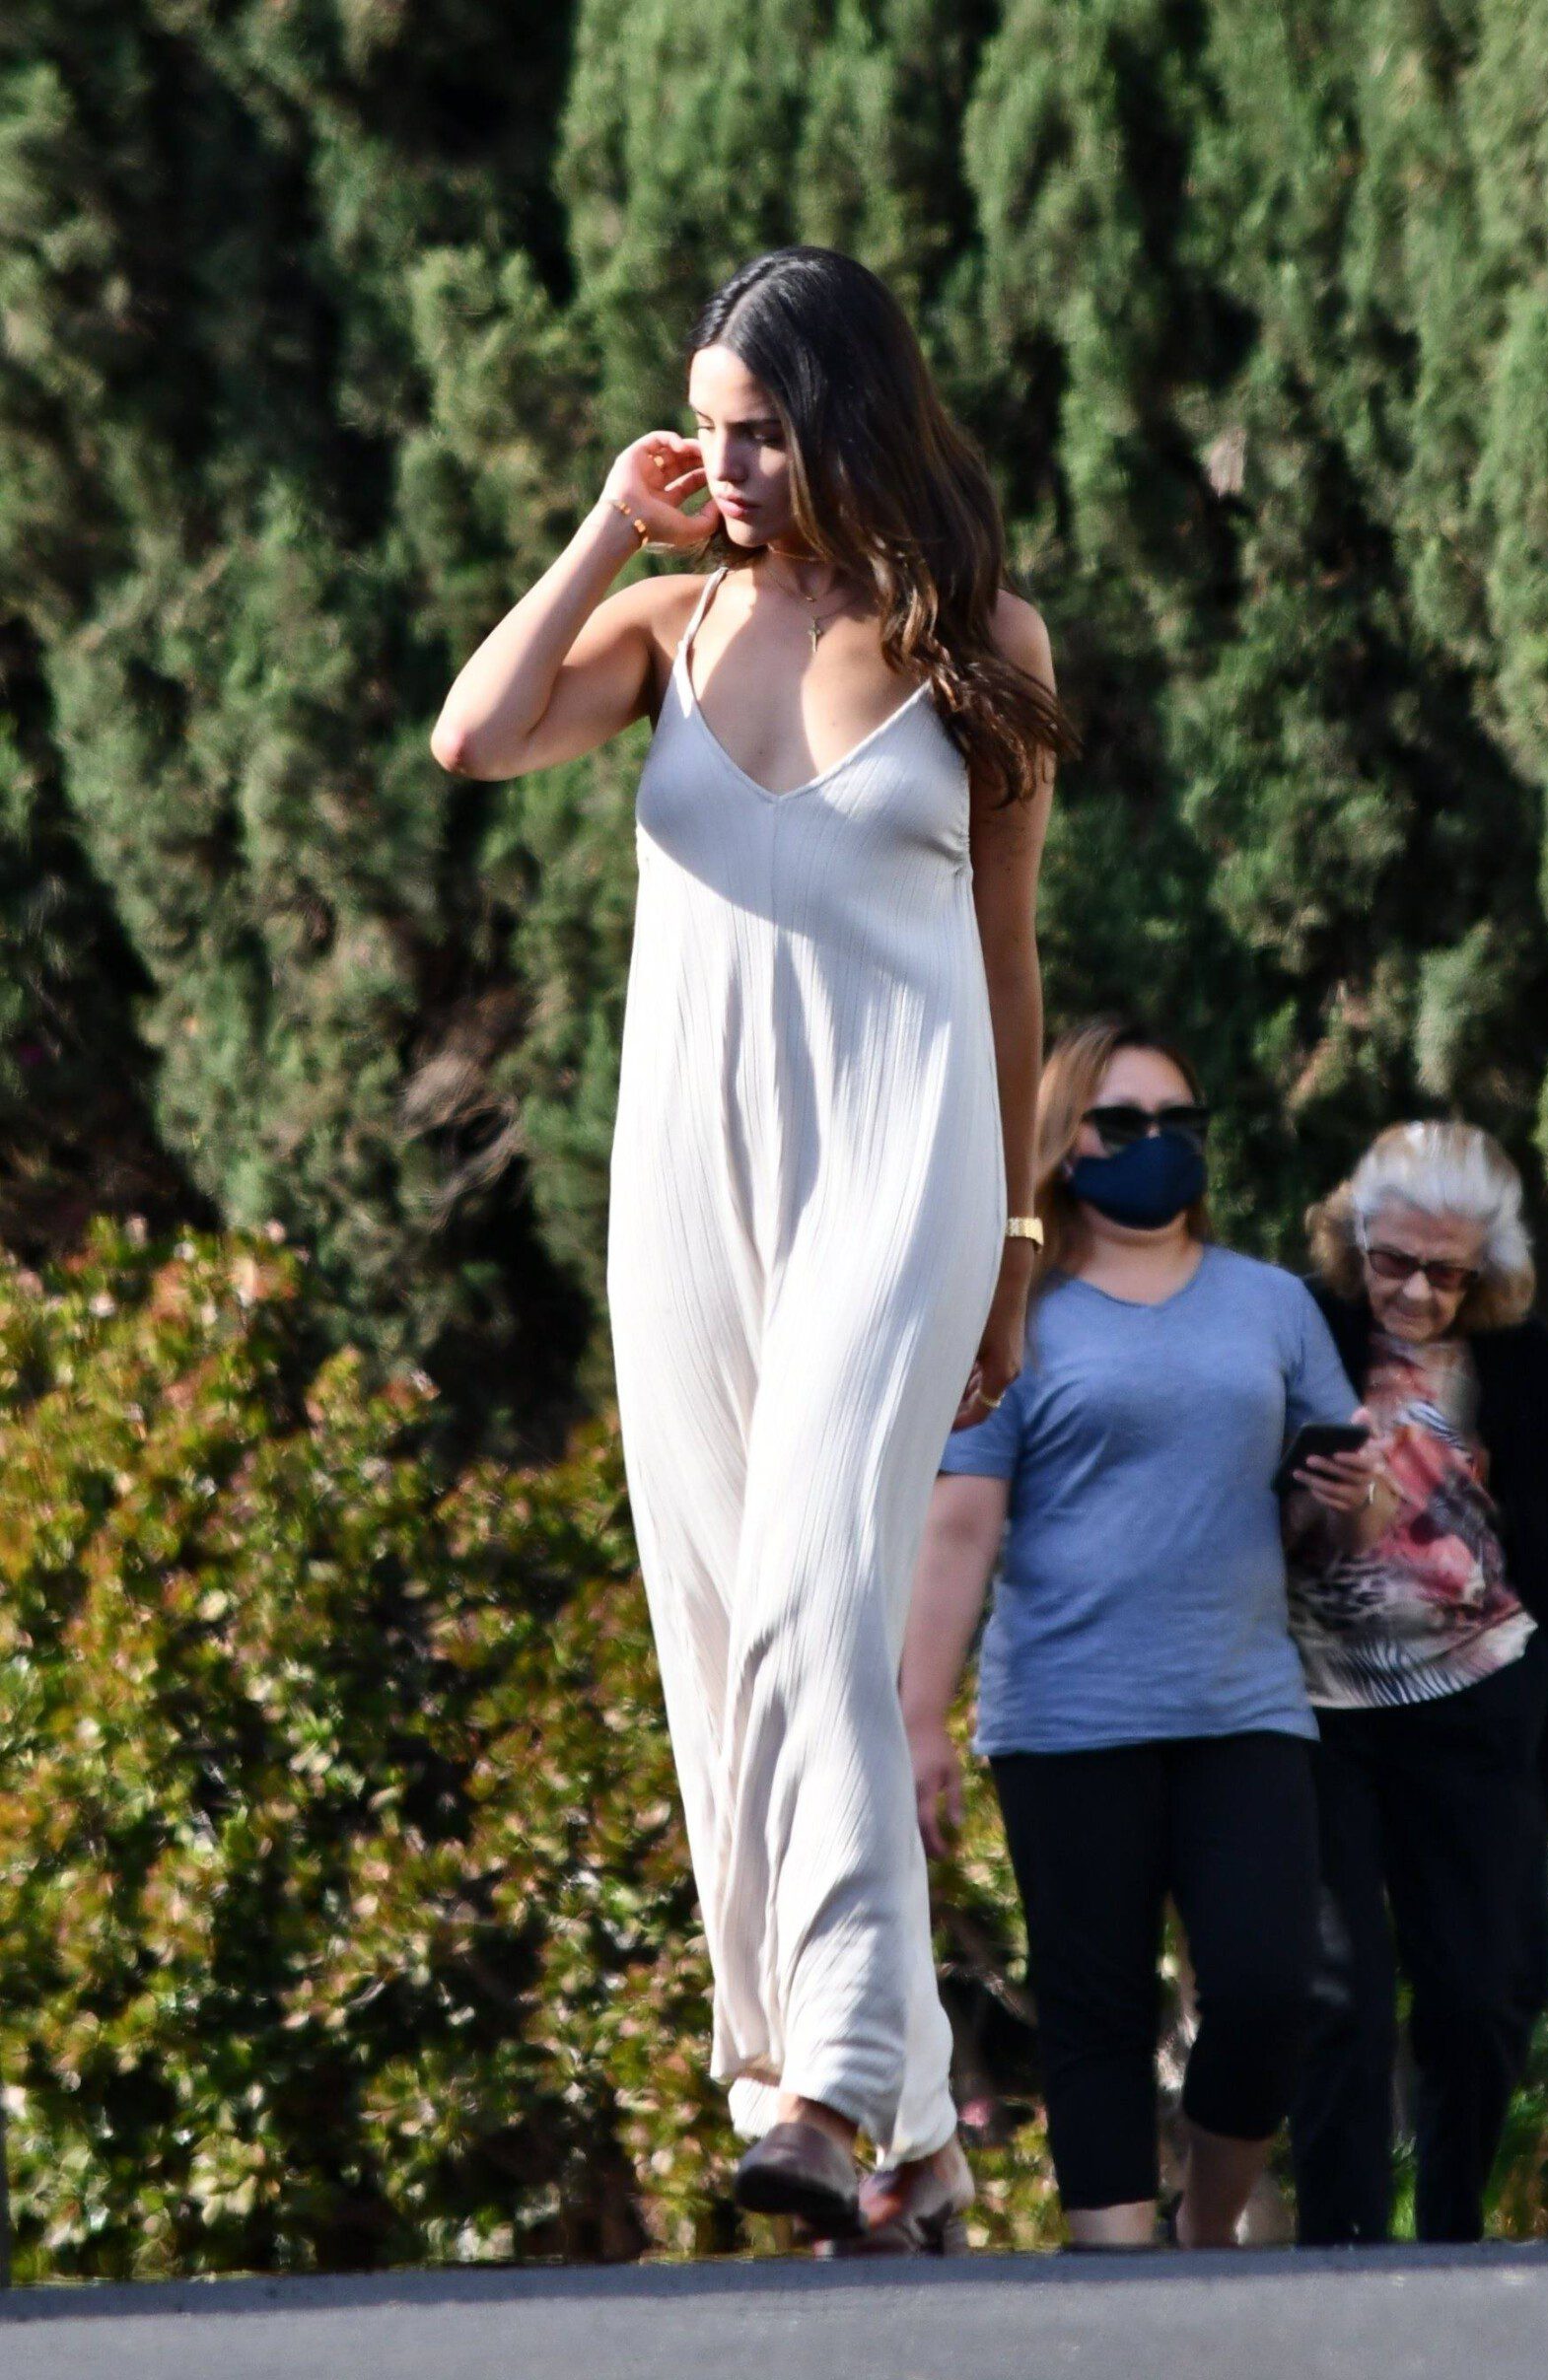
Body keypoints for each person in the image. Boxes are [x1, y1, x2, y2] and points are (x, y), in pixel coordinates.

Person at [431, 245, 1071, 2252]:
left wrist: (1015, 1239)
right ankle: (921, 2143)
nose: (729, 465)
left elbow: (1007, 957)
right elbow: (473, 738)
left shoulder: (981, 639)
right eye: (711, 428)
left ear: (853, 418)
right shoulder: (668, 620)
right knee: (721, 1633)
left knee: (812, 1584)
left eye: (766, 429)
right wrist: (598, 530)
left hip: (901, 1162)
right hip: (689, 1183)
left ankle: (831, 2077)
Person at [899, 1015, 1390, 2249]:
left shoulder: (1271, 1304)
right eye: (1122, 1123)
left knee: (1272, 1989)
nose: (1156, 1144)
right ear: (1064, 1142)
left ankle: (1202, 2226)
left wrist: (1340, 1499)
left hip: (1242, 1708)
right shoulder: (1018, 1312)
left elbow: (1343, 1520)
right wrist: (917, 1719)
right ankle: (1112, 2277)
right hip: (1067, 1719)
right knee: (1094, 2011)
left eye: (1179, 1122)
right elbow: (959, 1525)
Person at [1289, 1121, 1548, 2246]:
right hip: (1316, 1713)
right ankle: (1337, 2247)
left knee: (1483, 1993)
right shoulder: (1300, 1334)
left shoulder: (1535, 1377)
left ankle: (1447, 2235)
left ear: (1484, 1269)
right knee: (1336, 1996)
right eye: (1392, 1261)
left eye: (1445, 1272)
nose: (1414, 1292)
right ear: (1353, 1241)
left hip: (1481, 1710)